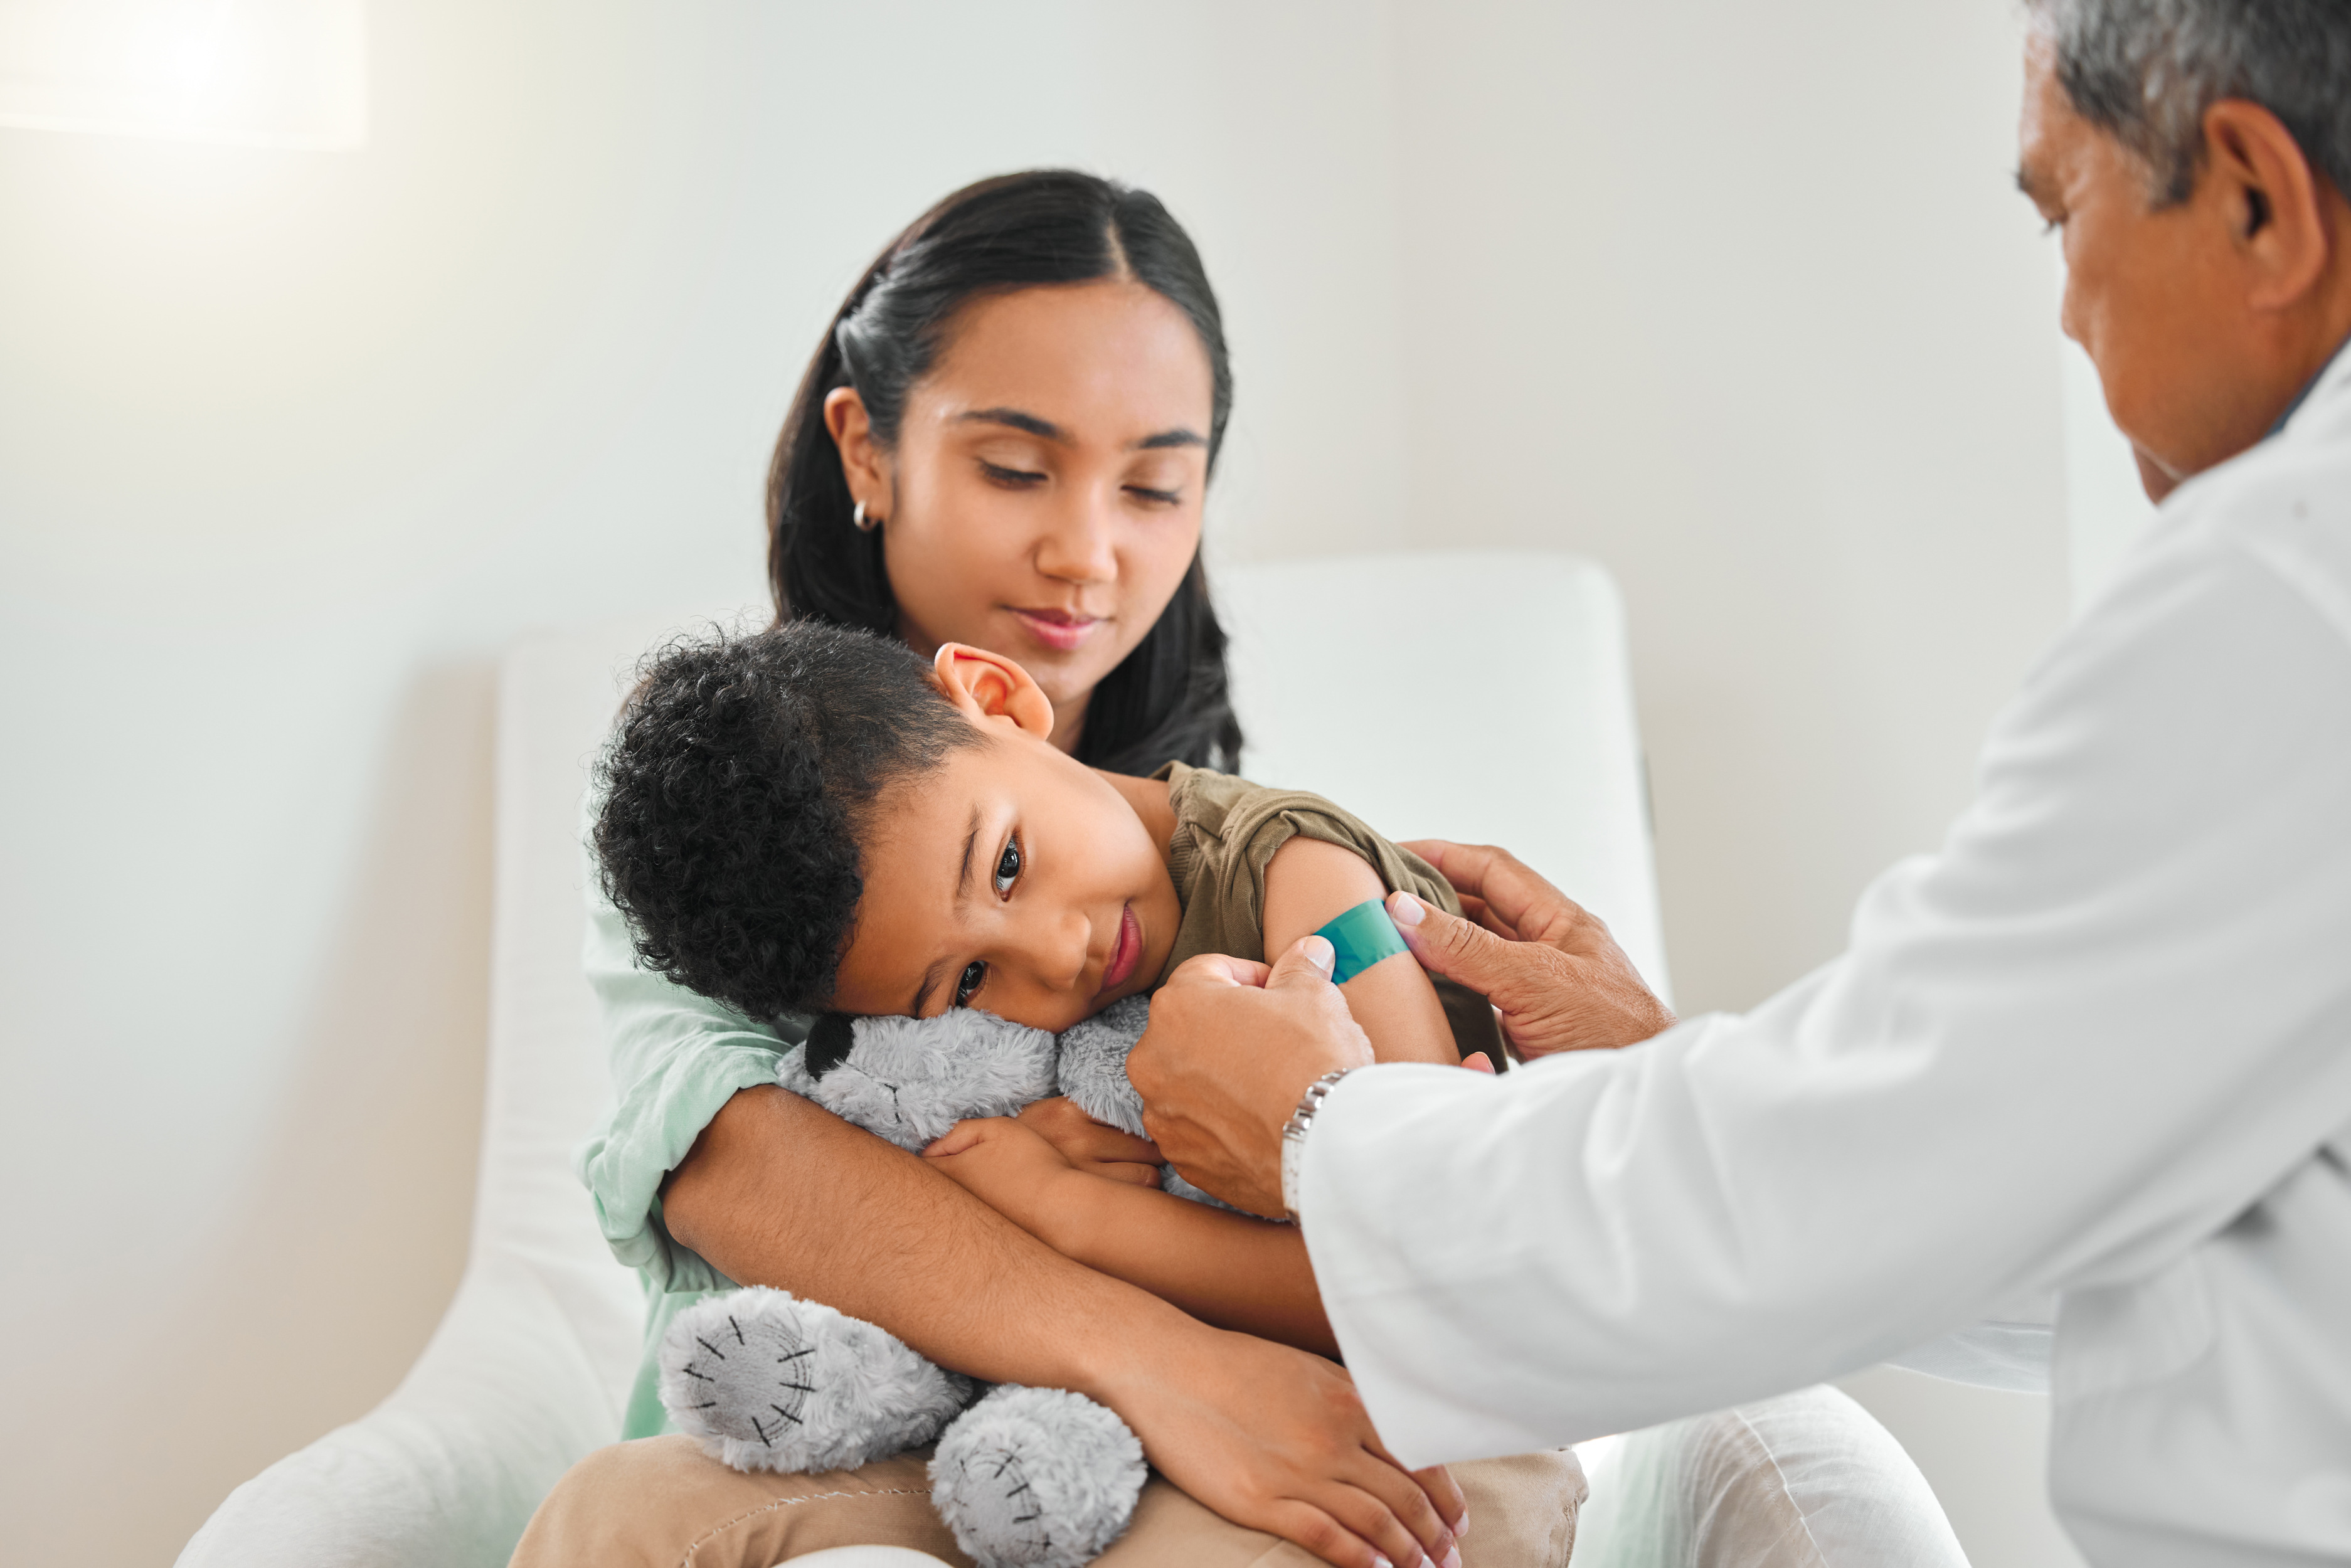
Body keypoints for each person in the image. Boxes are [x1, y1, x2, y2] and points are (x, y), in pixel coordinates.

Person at [1125, 3, 2351, 1563]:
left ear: (2253, 197)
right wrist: (1644, 1059)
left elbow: (1855, 1188)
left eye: (2064, 213)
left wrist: (1321, 1131)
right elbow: (2040, 1189)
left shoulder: (2276, 601)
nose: (2063, 312)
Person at [515, 171, 1487, 1568]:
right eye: (1016, 467)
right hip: (830, 1425)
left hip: (1186, 1447)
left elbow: (1424, 1225)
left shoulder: (1263, 865)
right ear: (866, 448)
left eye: (1155, 483)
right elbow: (737, 1158)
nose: (1086, 553)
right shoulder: (719, 822)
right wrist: (1157, 1348)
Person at [587, 622, 1520, 1355]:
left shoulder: (1302, 881)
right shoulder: (987, 1071)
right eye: (968, 983)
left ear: (995, 697)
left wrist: (1079, 1216)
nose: (1061, 952)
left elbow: (1434, 1287)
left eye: (1006, 864)